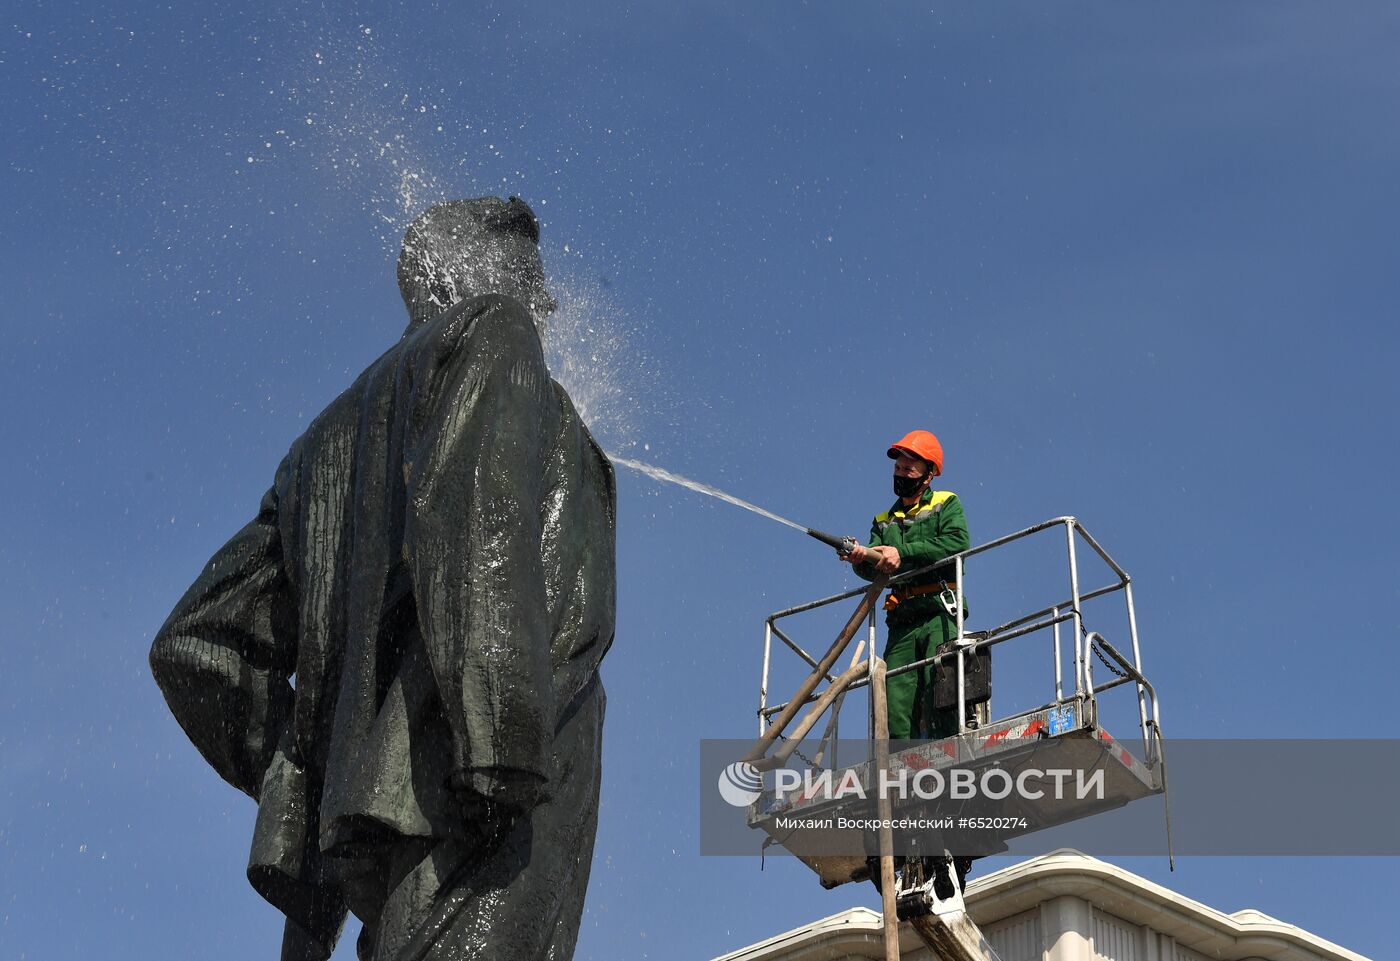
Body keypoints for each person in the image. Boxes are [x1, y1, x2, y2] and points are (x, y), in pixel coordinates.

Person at [149, 197, 616, 961]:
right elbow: (475, 512)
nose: (545, 300)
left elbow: (193, 643)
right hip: (493, 794)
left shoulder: (319, 446)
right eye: (531, 276)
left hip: (394, 817)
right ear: (477, 272)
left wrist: (316, 771)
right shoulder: (491, 330)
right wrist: (500, 747)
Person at [843, 430, 971, 740]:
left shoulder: (946, 503)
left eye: (908, 470)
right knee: (895, 695)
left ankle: (948, 750)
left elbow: (957, 543)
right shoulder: (883, 520)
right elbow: (876, 571)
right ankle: (902, 768)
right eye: (898, 469)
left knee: (940, 682)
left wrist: (903, 553)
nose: (901, 474)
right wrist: (861, 558)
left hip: (938, 611)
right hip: (902, 619)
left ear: (928, 475)